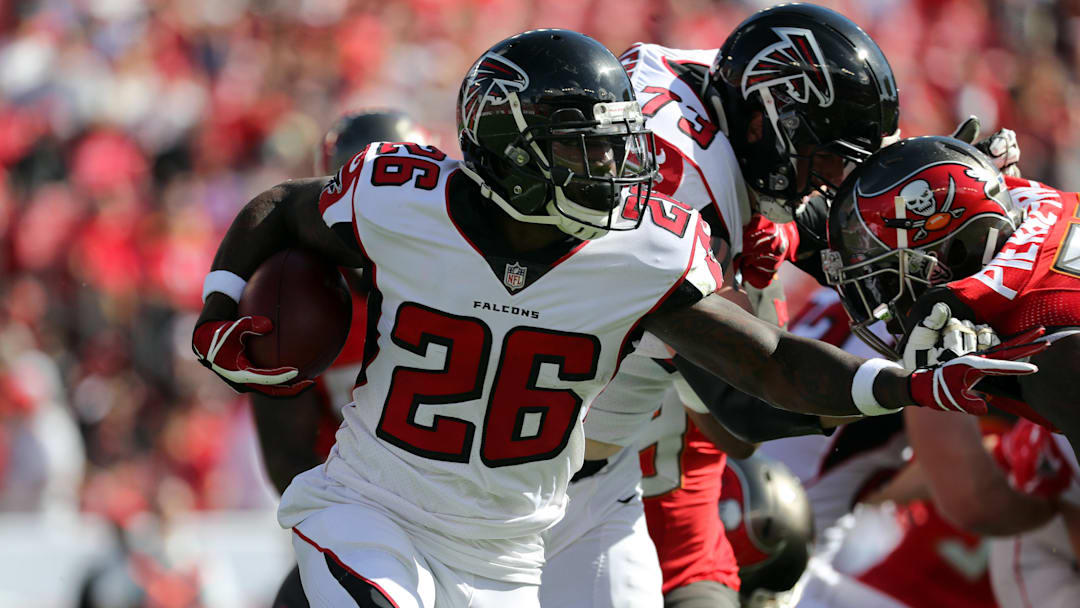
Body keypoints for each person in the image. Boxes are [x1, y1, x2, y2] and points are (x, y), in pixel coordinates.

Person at [191, 30, 1037, 608]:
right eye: (584, 148)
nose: (617, 169)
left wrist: (915, 377)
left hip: (531, 534)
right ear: (510, 145)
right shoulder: (399, 201)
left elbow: (768, 364)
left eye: (619, 143)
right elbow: (280, 207)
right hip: (381, 507)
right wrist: (223, 303)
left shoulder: (640, 248)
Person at [553, 6, 899, 607]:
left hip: (596, 482)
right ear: (768, 125)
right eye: (823, 159)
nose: (830, 182)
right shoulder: (680, 192)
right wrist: (912, 387)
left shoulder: (714, 87)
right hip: (514, 470)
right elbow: (743, 406)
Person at [251, 110, 427, 608]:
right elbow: (287, 455)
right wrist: (354, 524)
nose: (383, 212)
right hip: (361, 517)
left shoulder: (459, 277)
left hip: (476, 516)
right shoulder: (298, 298)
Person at [824, 134, 1080, 460]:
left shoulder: (1054, 347)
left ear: (954, 255)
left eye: (888, 281)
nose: (882, 304)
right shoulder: (1031, 210)